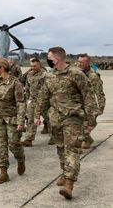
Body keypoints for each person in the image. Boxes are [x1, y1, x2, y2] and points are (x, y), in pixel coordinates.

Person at [34, 47, 98, 199]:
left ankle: (69, 183)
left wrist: (91, 119)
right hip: (55, 118)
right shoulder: (49, 76)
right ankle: (65, 172)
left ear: (56, 58)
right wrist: (36, 114)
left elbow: (88, 96)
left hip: (73, 118)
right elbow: (43, 96)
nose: (47, 60)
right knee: (61, 148)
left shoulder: (76, 74)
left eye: (49, 57)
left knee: (71, 150)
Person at [0, 58, 26, 184]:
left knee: (13, 144)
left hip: (12, 119)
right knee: (1, 145)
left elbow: (21, 103)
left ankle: (20, 159)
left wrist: (21, 122)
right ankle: (3, 171)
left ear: (2, 69)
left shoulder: (15, 83)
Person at [76, 53, 106, 149]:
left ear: (88, 63)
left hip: (89, 106)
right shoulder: (74, 73)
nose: (79, 64)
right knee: (75, 125)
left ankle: (86, 139)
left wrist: (101, 107)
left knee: (86, 126)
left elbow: (99, 93)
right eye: (78, 61)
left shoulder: (94, 77)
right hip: (76, 104)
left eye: (82, 62)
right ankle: (87, 139)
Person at [21, 58, 46, 147]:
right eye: (31, 66)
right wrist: (27, 99)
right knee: (30, 119)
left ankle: (55, 136)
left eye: (35, 66)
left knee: (50, 119)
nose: (33, 68)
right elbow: (27, 87)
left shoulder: (45, 74)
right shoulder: (29, 74)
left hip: (44, 100)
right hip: (32, 100)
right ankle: (28, 139)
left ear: (39, 64)